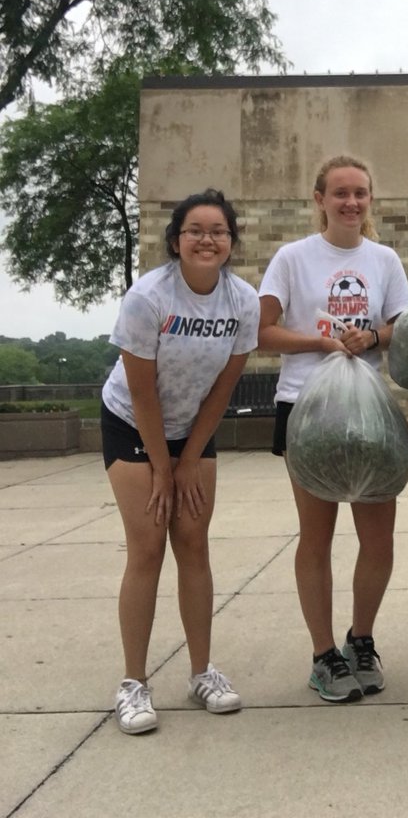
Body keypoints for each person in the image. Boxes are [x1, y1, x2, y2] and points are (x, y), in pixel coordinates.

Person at [101, 188, 259, 735]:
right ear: (175, 241)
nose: (206, 239)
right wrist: (163, 469)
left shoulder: (243, 301)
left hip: (193, 427)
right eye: (195, 230)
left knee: (193, 542)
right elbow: (142, 392)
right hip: (133, 421)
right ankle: (133, 683)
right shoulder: (148, 297)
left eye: (218, 231)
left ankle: (201, 673)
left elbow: (223, 388)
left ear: (231, 241)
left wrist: (189, 458)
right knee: (147, 546)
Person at [257, 154, 408, 703]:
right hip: (308, 408)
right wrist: (321, 342)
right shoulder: (292, 257)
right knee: (316, 536)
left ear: (370, 199)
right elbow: (263, 331)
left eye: (360, 193)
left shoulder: (384, 259)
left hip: (367, 412)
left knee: (378, 537)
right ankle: (324, 654)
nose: (351, 202)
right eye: (340, 193)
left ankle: (360, 640)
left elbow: (403, 325)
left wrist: (373, 337)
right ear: (320, 199)